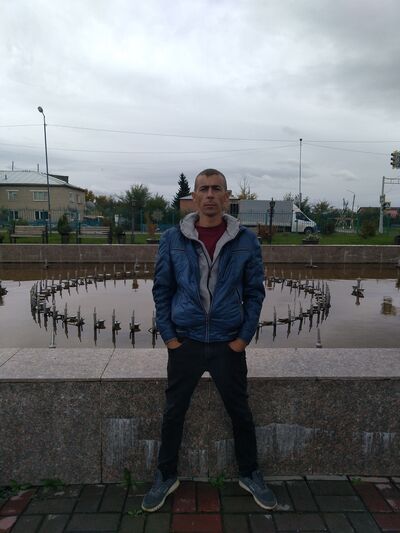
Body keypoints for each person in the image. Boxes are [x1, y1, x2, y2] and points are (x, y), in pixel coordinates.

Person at [142, 169, 277, 512]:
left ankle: (249, 473)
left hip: (226, 342)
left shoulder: (246, 240)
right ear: (194, 198)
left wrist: (242, 339)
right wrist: (170, 337)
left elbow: (254, 293)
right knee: (173, 413)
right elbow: (162, 290)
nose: (210, 195)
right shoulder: (173, 239)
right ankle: (165, 475)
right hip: (185, 341)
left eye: (217, 189)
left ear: (227, 196)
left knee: (240, 412)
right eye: (203, 189)